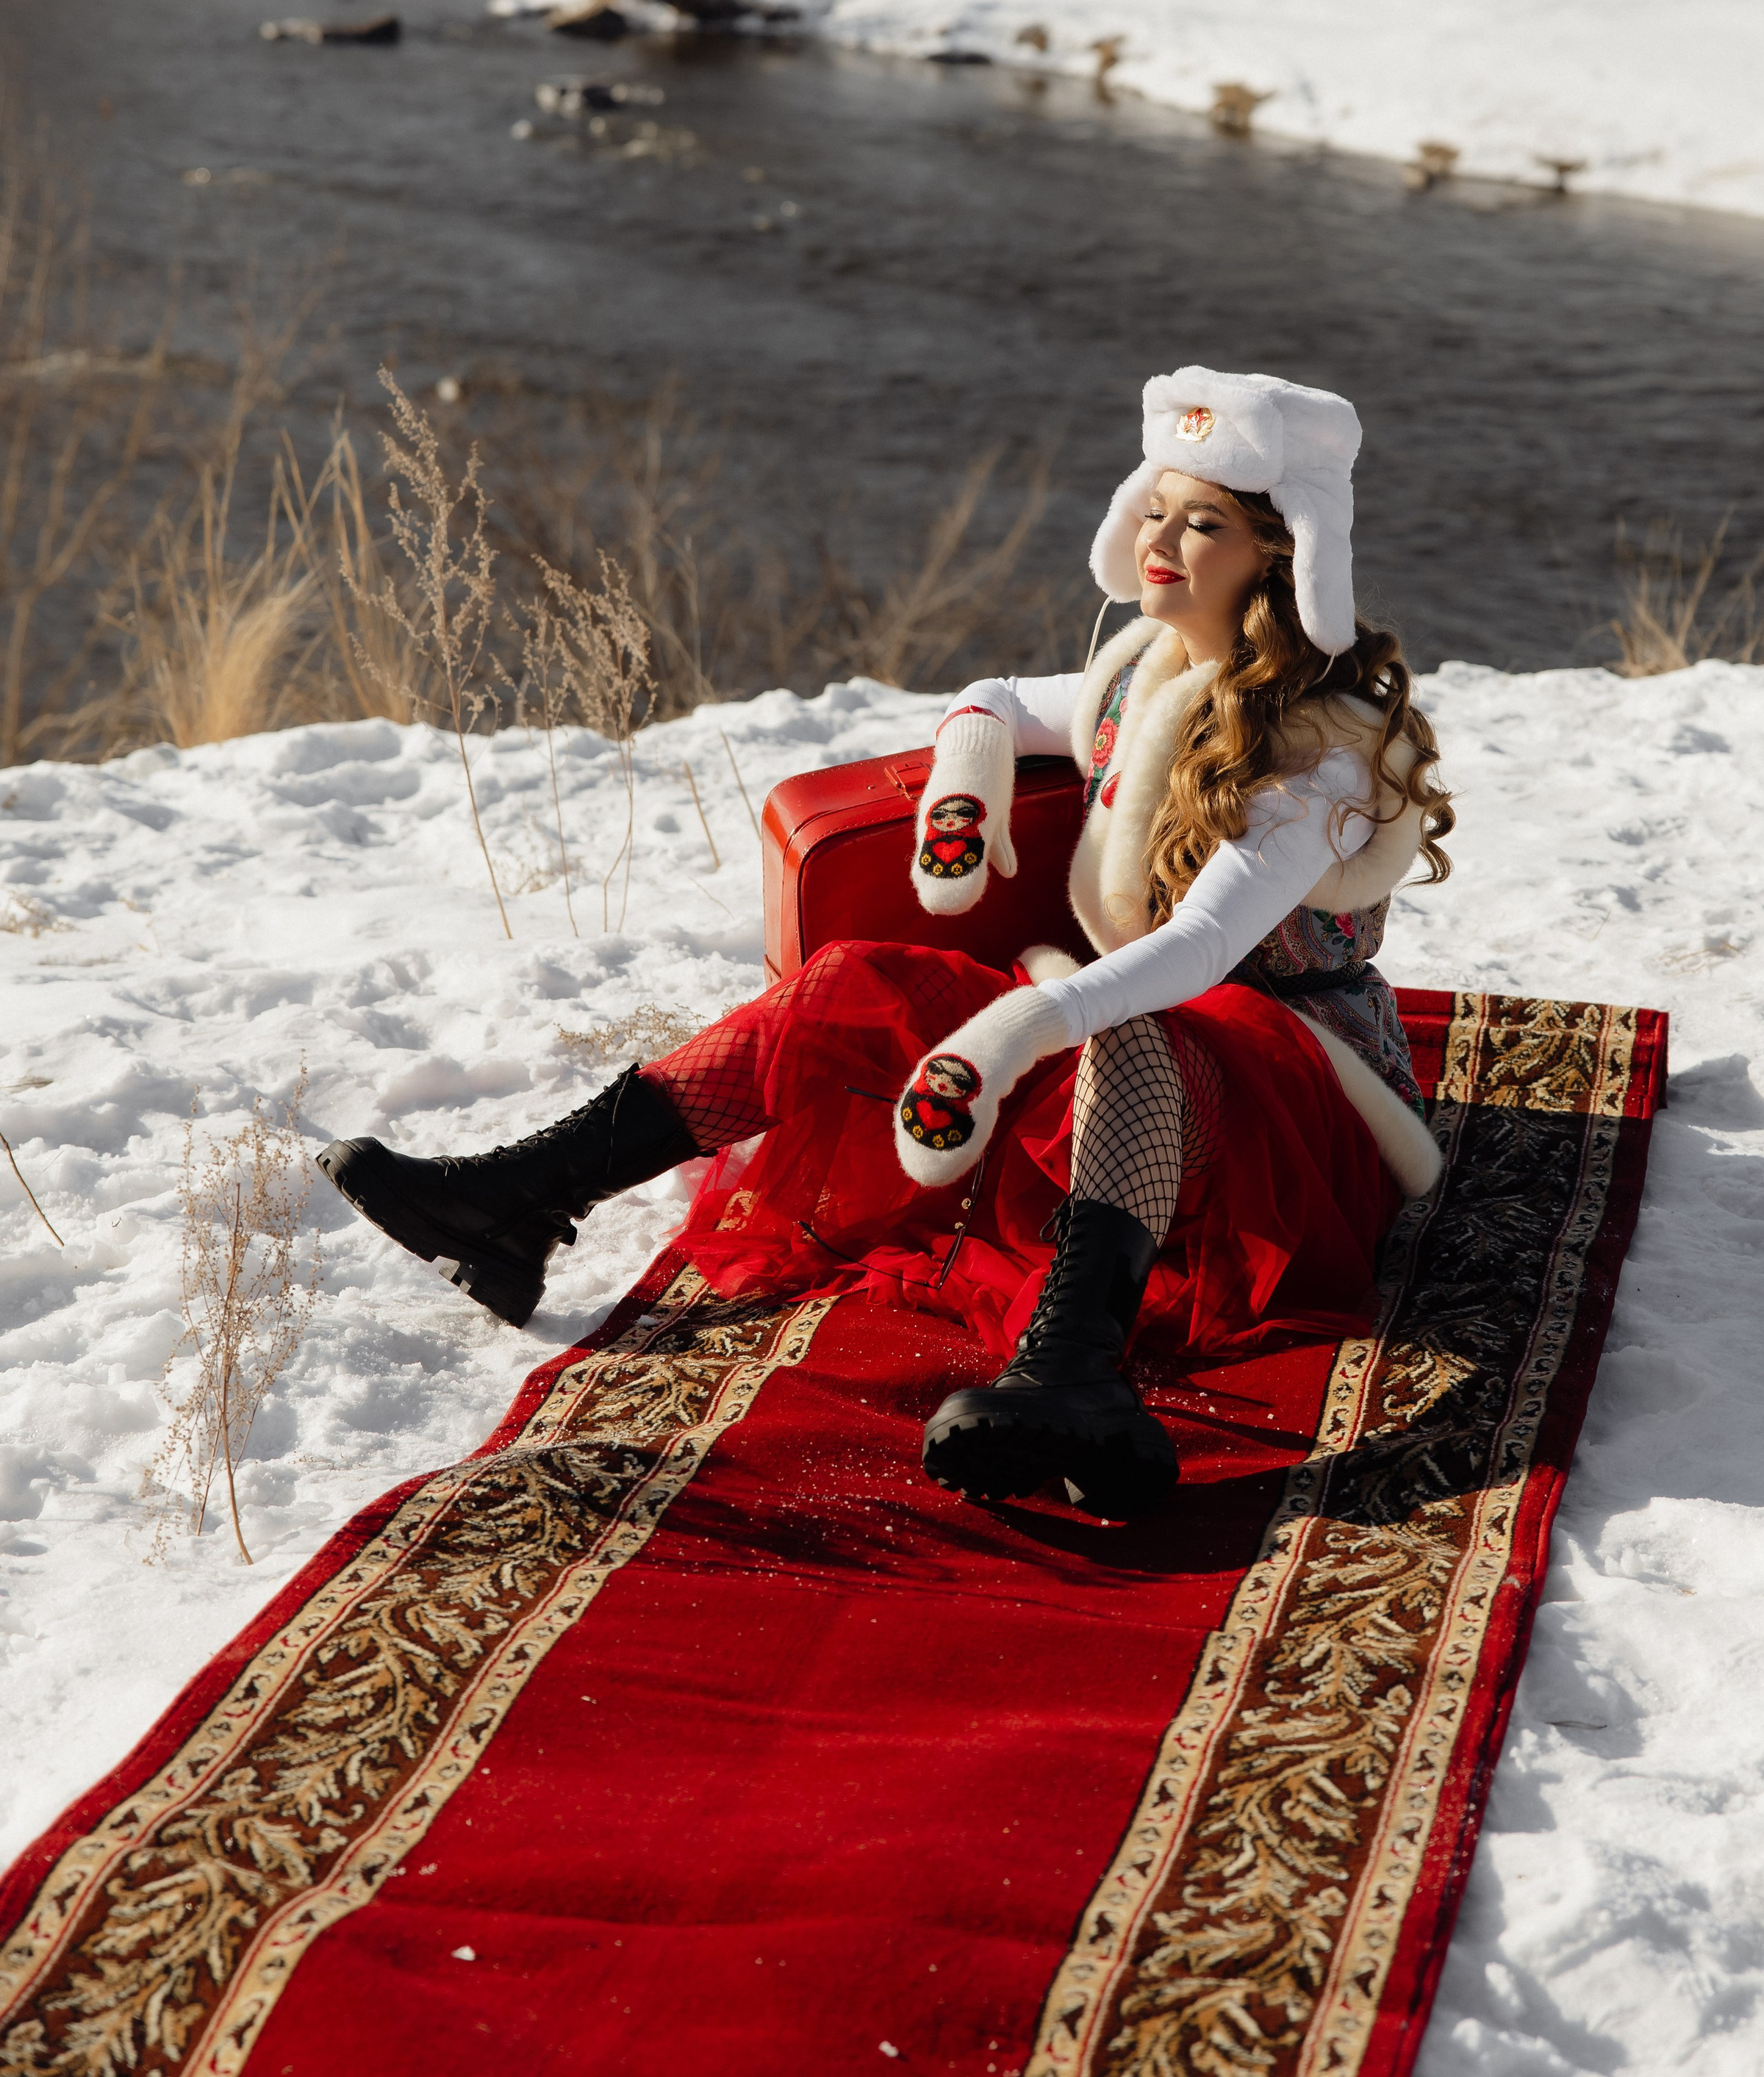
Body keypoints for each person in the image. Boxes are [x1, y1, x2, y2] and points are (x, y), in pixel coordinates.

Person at [321, 367, 1454, 1520]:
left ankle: (1074, 1374)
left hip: (1296, 1110)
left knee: (1134, 1034)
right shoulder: (1146, 675)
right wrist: (964, 799)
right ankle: (523, 1199)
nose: (1160, 541)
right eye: (1154, 509)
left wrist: (1007, 1035)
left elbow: (1202, 952)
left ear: (1280, 555)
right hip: (1132, 1036)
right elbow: (995, 699)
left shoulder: (1324, 750)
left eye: (1203, 524)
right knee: (850, 984)